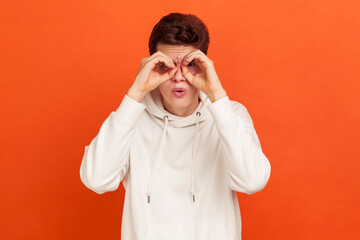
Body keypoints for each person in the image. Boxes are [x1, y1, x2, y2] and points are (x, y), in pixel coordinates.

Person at [80, 12, 271, 240]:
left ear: (204, 65)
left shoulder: (229, 115)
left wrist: (218, 97)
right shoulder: (131, 119)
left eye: (190, 65)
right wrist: (135, 95)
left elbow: (252, 181)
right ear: (151, 67)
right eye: (166, 66)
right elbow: (96, 179)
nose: (179, 76)